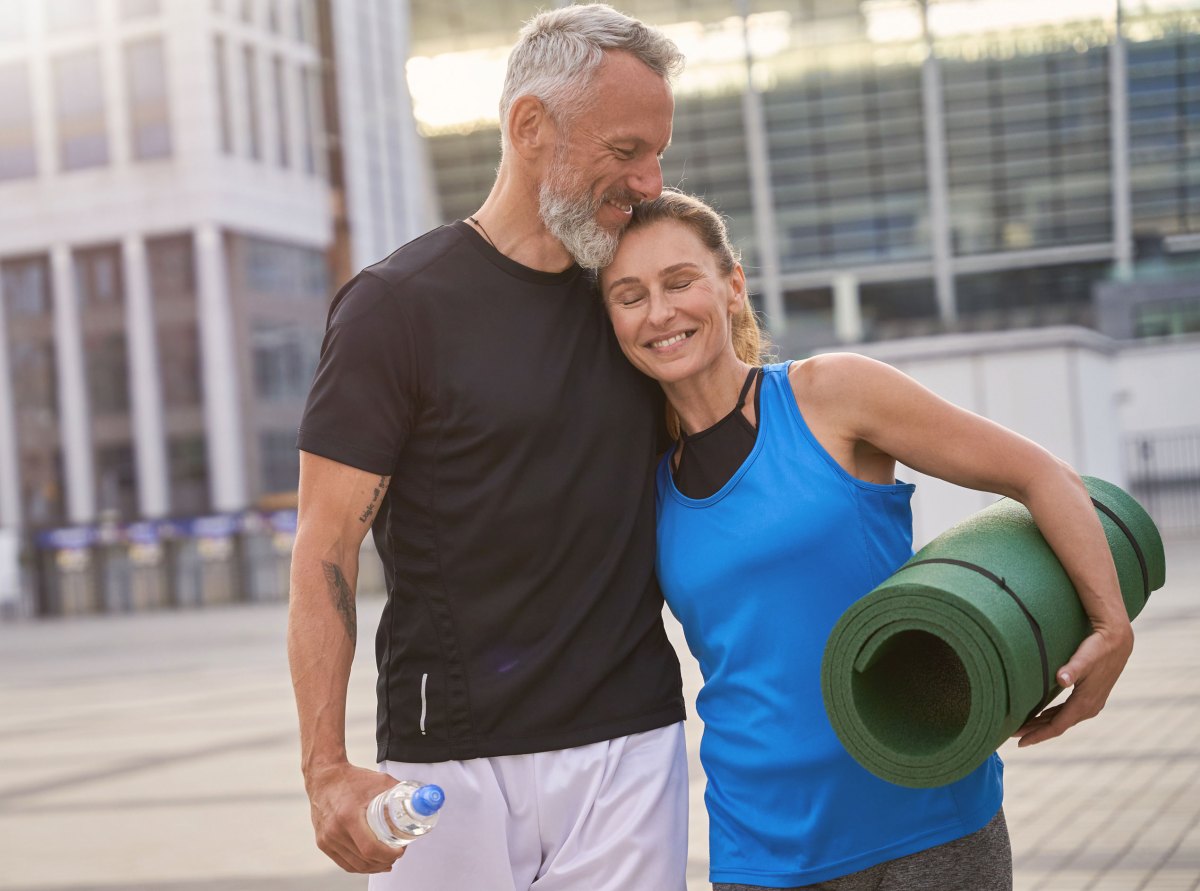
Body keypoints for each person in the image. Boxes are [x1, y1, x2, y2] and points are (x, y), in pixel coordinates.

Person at [598, 189, 1135, 891]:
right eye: (630, 295)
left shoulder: (829, 394)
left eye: (679, 281)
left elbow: (1041, 475)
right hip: (764, 842)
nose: (659, 312)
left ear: (732, 285)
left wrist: (1110, 624)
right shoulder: (637, 482)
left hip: (929, 814)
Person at [287, 7, 689, 889]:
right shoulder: (395, 308)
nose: (650, 181)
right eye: (626, 150)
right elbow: (326, 544)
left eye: (659, 153)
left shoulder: (636, 305)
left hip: (629, 746)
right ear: (530, 126)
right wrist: (324, 768)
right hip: (447, 758)